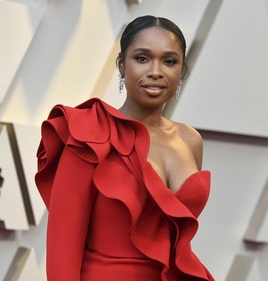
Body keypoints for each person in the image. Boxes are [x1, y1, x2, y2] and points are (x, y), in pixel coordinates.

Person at [35, 15, 215, 281]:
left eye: (169, 61)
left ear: (182, 70)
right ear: (121, 66)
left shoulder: (191, 140)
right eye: (142, 58)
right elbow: (63, 251)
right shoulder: (90, 134)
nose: (156, 71)